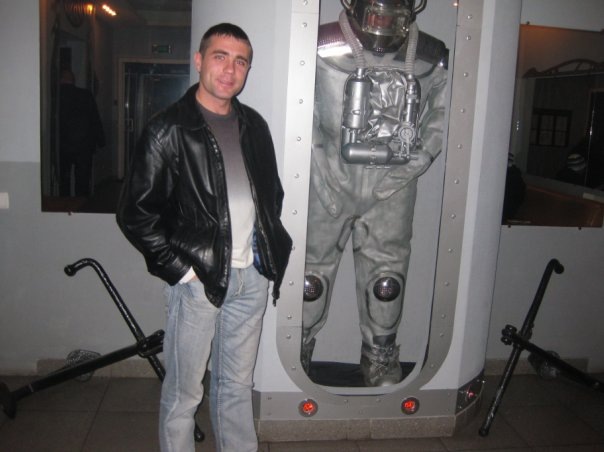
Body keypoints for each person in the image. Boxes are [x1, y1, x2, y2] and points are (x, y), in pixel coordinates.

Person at [116, 23, 291, 452]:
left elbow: (271, 195)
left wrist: (263, 257)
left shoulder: (254, 126)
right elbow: (135, 214)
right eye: (220, 57)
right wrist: (183, 273)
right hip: (197, 283)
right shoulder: (167, 129)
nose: (230, 70)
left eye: (240, 61)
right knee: (184, 393)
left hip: (251, 278)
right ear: (198, 60)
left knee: (236, 386)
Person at [301, 0, 448, 386]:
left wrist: (413, 165)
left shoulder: (431, 56)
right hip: (332, 178)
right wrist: (320, 169)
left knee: (386, 281)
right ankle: (297, 348)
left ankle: (379, 356)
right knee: (310, 277)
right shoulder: (320, 46)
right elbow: (302, 111)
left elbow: (443, 118)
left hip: (392, 186)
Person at [58, 68, 105, 197]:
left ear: (61, 80)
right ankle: (82, 204)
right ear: (73, 80)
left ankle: (65, 204)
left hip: (64, 146)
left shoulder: (57, 95)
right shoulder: (85, 95)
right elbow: (95, 119)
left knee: (64, 180)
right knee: (83, 181)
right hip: (84, 146)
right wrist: (101, 140)